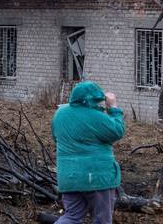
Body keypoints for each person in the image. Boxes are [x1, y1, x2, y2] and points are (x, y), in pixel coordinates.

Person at [52, 81, 125, 224]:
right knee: (102, 219)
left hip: (68, 177)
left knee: (71, 216)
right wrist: (114, 108)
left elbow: (56, 138)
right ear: (90, 100)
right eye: (97, 101)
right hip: (97, 178)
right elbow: (117, 131)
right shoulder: (95, 117)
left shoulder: (59, 114)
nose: (99, 105)